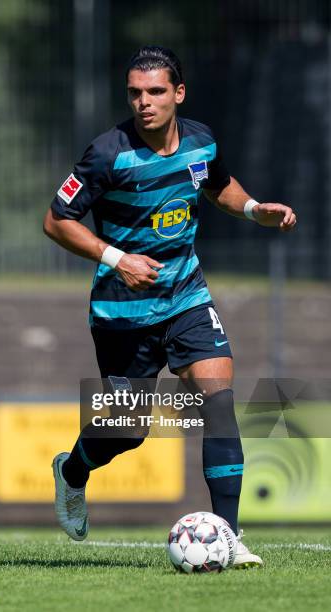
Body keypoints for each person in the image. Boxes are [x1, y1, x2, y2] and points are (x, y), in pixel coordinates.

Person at [43, 45, 296, 568]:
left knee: (218, 398)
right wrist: (117, 258)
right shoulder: (106, 154)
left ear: (178, 93)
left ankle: (228, 533)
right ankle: (72, 473)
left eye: (155, 91)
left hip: (187, 295)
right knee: (127, 431)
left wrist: (253, 210)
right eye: (135, 92)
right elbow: (57, 221)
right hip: (123, 311)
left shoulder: (201, 140)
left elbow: (218, 185)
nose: (144, 102)